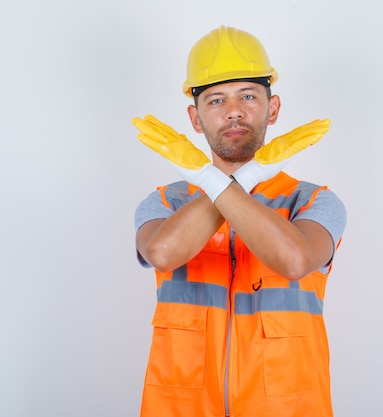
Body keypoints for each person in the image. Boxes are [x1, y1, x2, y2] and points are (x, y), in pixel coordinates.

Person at [132, 26, 346, 417]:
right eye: (216, 100)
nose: (234, 110)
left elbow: (294, 261)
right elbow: (164, 252)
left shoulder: (314, 200)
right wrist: (230, 180)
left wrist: (220, 179)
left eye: (248, 95)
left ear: (273, 108)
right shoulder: (166, 201)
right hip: (180, 407)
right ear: (195, 119)